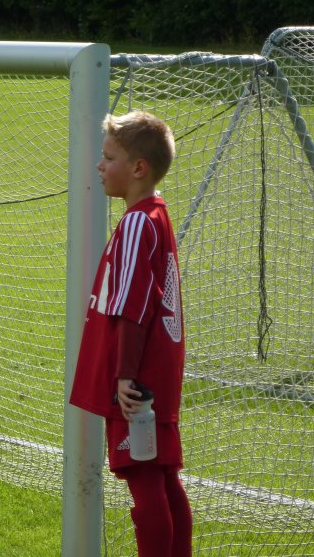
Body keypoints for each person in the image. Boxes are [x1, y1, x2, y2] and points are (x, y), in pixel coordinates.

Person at [69, 111, 192, 556]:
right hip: (154, 373)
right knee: (163, 478)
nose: (99, 165)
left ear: (139, 167)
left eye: (109, 157)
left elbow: (133, 306)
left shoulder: (139, 222)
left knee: (145, 485)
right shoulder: (156, 215)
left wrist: (124, 376)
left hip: (137, 382)